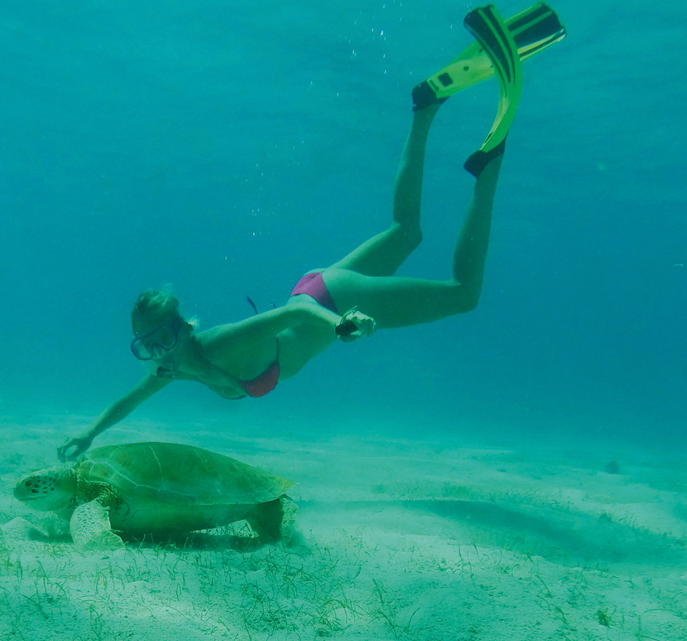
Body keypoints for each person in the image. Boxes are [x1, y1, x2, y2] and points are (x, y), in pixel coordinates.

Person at [58, 4, 565, 462]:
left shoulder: (213, 344)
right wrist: (90, 434)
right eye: (147, 346)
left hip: (326, 299)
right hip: (317, 285)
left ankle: (489, 163)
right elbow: (130, 399)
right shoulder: (174, 369)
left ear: (183, 327)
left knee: (464, 295)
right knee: (405, 232)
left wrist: (347, 326)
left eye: (164, 338)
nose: (160, 352)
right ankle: (425, 107)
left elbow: (294, 313)